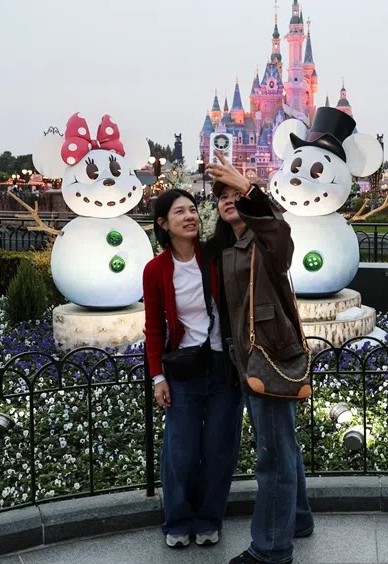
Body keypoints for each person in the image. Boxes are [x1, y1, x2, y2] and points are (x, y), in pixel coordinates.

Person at [205, 150, 314, 564]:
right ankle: (298, 518)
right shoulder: (227, 248)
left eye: (234, 192)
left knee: (273, 453)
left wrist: (250, 189)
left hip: (267, 354)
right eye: (221, 195)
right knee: (283, 442)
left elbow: (280, 233)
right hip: (244, 358)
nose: (228, 199)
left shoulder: (265, 244)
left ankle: (271, 548)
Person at [143, 188, 244, 549]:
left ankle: (208, 519)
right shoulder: (155, 270)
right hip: (183, 369)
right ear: (163, 223)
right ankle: (177, 519)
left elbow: (243, 232)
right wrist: (157, 377)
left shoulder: (214, 256)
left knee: (219, 449)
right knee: (181, 452)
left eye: (192, 210)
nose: (189, 217)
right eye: (179, 212)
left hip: (223, 368)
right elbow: (154, 328)